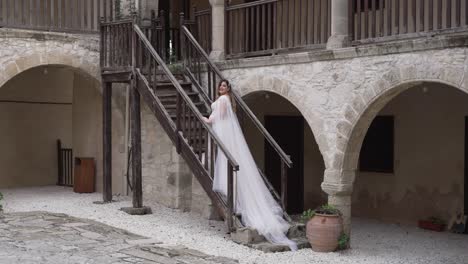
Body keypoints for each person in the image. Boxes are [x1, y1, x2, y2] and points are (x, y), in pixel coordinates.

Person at [202, 79, 297, 251]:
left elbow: (220, 115)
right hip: (223, 131)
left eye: (224, 86)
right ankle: (231, 191)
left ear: (228, 89)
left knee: (225, 160)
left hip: (222, 131)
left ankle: (233, 195)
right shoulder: (225, 100)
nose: (221, 88)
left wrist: (208, 120)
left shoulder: (224, 100)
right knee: (225, 160)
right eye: (220, 86)